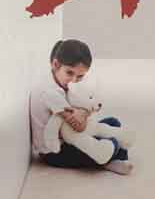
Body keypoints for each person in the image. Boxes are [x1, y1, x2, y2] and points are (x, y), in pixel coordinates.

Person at [30, 39, 133, 175]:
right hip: (55, 152)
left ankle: (111, 160)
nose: (74, 80)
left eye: (80, 76)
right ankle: (108, 160)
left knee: (113, 123)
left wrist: (84, 110)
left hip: (71, 136)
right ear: (55, 64)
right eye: (69, 73)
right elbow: (79, 125)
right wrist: (85, 112)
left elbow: (81, 110)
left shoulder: (59, 81)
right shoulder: (50, 92)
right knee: (112, 141)